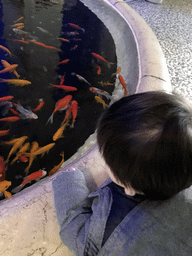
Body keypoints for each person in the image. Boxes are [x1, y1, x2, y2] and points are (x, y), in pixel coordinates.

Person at [53, 91, 192, 255]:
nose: (104, 162)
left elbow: (75, 234)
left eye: (107, 162)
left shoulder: (109, 228)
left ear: (129, 189)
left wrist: (68, 182)